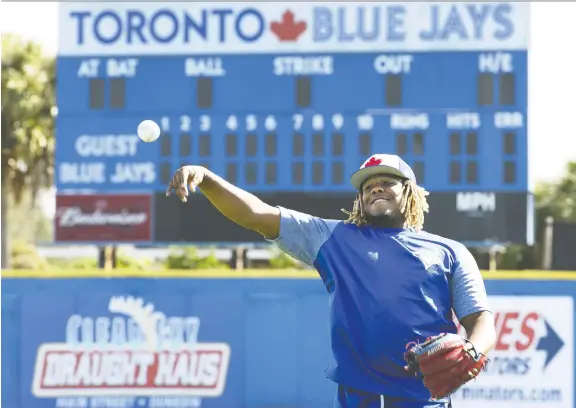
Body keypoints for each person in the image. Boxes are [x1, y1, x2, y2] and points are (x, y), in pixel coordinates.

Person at [166, 154, 496, 408]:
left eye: (386, 181)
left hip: (423, 397)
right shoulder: (333, 237)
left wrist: (472, 350)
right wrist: (206, 178)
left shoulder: (450, 251)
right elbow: (255, 214)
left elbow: (480, 318)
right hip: (358, 395)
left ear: (410, 192)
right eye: (367, 186)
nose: (375, 187)